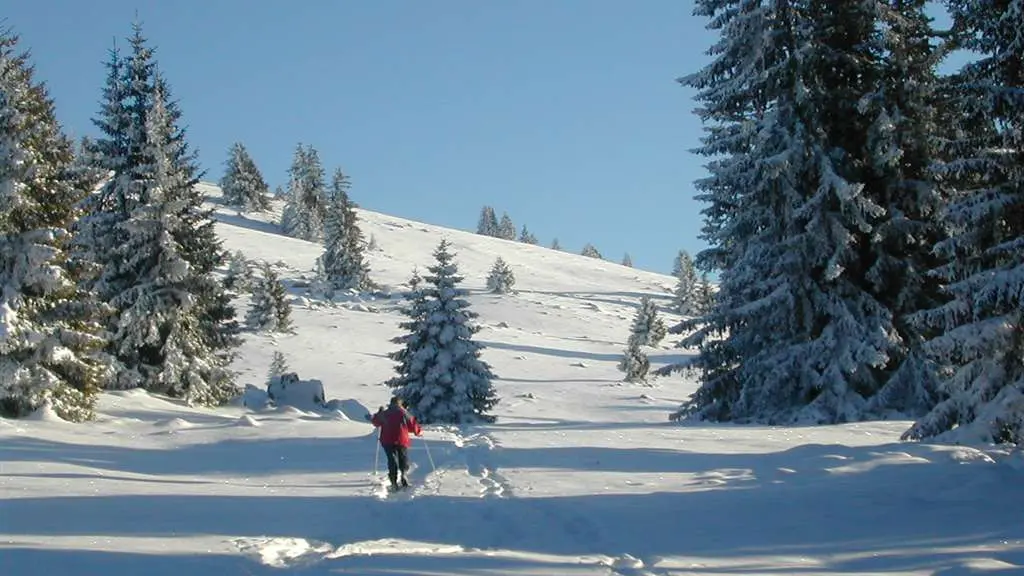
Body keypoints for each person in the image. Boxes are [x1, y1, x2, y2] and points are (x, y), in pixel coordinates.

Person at [370, 396, 422, 490]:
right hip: (402, 439)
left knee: (391, 459)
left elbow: (375, 422)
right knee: (403, 457)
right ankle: (403, 474)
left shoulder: (385, 413)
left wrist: (379, 413)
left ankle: (393, 481)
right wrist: (418, 431)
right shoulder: (404, 413)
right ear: (400, 404)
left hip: (387, 440)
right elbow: (412, 424)